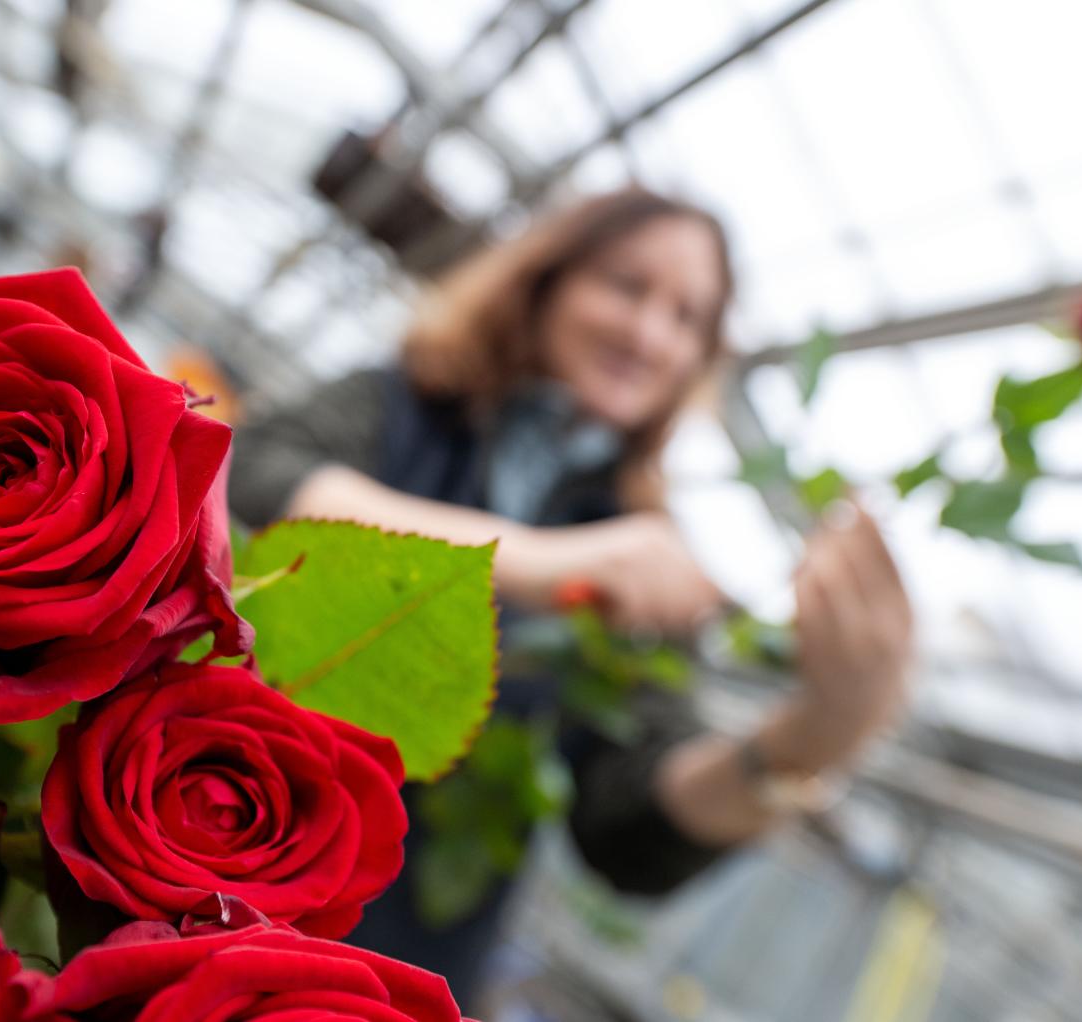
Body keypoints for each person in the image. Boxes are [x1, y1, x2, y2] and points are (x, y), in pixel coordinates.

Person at [227, 186, 914, 1000]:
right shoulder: (405, 408)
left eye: (688, 316)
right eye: (628, 286)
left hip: (383, 972)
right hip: (212, 860)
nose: (651, 332)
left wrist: (809, 738)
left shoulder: (637, 557)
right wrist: (537, 561)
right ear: (546, 281)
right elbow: (262, 473)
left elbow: (628, 821)